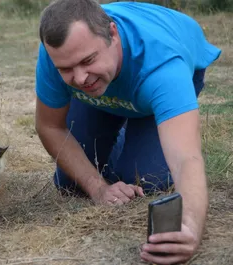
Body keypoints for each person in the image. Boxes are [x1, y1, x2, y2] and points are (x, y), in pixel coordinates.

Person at [34, 0, 221, 264]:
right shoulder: (57, 52)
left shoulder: (164, 65)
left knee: (146, 178)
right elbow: (49, 126)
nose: (79, 79)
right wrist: (98, 188)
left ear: (113, 34)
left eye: (88, 60)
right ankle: (121, 132)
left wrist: (189, 228)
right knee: (71, 183)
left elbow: (186, 159)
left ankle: (145, 128)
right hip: (108, 91)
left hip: (159, 68)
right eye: (65, 69)